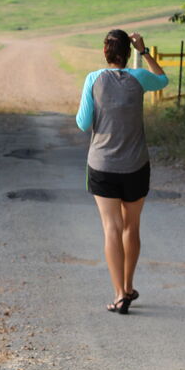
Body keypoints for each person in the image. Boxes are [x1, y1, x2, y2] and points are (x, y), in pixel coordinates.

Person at [76, 29, 168, 314]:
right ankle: (129, 286)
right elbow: (163, 79)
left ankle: (118, 294)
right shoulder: (138, 78)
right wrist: (145, 51)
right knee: (132, 226)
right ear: (128, 53)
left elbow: (83, 123)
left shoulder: (93, 79)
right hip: (136, 165)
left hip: (102, 165)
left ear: (105, 53)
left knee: (111, 228)